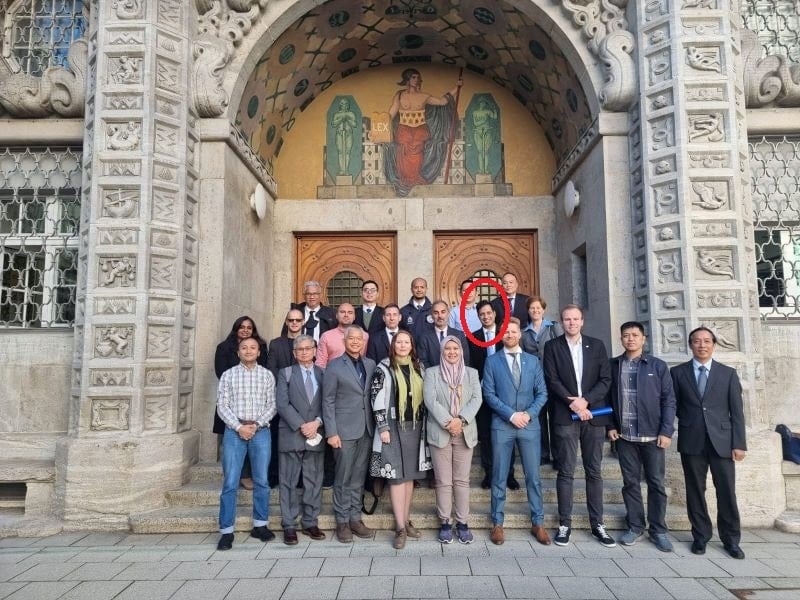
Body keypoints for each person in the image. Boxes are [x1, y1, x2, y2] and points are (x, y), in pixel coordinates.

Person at [671, 326, 746, 559]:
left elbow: (737, 412)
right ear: (690, 345)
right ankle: (700, 537)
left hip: (722, 441)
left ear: (714, 344)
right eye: (696, 341)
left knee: (726, 491)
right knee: (695, 490)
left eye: (706, 341)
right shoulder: (678, 373)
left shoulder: (727, 374)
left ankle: (731, 539)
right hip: (691, 440)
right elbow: (672, 405)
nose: (702, 345)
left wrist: (739, 443)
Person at [543, 304, 614, 547]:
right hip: (565, 416)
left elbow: (606, 379)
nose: (571, 323)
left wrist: (586, 401)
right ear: (561, 322)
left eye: (575, 319)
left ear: (582, 321)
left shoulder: (596, 345)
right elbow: (551, 379)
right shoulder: (553, 346)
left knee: (594, 471)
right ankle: (565, 523)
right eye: (567, 319)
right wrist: (573, 403)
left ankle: (598, 524)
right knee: (566, 470)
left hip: (593, 416)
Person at [607, 322, 676, 552]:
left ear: (643, 338)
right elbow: (606, 398)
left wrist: (667, 431)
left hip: (652, 437)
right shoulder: (614, 365)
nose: (630, 339)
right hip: (625, 436)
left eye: (635, 335)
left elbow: (669, 400)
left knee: (656, 483)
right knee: (630, 483)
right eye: (626, 335)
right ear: (621, 339)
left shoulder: (657, 366)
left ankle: (658, 529)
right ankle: (635, 526)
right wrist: (610, 425)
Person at [482, 318, 550, 546]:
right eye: (505, 332)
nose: (509, 334)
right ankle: (497, 523)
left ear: (519, 334)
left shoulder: (532, 361)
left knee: (534, 477)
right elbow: (489, 394)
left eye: (513, 331)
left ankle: (538, 522)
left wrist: (528, 414)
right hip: (503, 426)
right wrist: (511, 415)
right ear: (500, 336)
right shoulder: (492, 362)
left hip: (529, 426)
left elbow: (542, 393)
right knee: (499, 476)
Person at [370, 330, 430, 549]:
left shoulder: (419, 367)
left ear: (412, 345)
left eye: (407, 342)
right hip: (392, 428)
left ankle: (406, 520)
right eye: (399, 342)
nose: (403, 345)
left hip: (415, 428)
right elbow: (376, 398)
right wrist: (382, 426)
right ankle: (399, 527)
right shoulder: (383, 368)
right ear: (393, 345)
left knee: (410, 477)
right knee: (396, 477)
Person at [215, 336, 277, 550]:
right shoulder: (228, 375)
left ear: (259, 352)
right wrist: (239, 427)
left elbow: (273, 405)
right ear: (238, 352)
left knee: (261, 480)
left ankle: (260, 524)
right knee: (230, 482)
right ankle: (226, 530)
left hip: (261, 431)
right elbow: (222, 406)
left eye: (253, 348)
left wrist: (257, 424)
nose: (249, 351)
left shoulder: (267, 375)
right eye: (244, 348)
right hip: (234, 431)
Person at [424, 336, 482, 544]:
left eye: (455, 348)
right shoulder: (431, 373)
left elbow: (477, 399)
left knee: (462, 480)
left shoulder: (472, 373)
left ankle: (462, 522)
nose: (451, 352)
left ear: (461, 350)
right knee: (443, 481)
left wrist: (462, 420)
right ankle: (445, 522)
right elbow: (430, 400)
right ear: (442, 351)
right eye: (447, 348)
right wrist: (450, 422)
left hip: (465, 432)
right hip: (441, 432)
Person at [322, 325, 376, 543]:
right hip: (343, 431)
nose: (355, 342)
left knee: (358, 476)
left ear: (363, 342)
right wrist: (331, 432)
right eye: (351, 338)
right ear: (344, 341)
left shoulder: (371, 364)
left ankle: (355, 518)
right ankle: (342, 521)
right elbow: (328, 401)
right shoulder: (334, 366)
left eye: (359, 339)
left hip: (366, 429)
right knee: (343, 477)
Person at [275, 335, 326, 545]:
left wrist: (317, 423)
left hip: (316, 433)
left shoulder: (324, 374)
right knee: (288, 481)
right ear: (294, 353)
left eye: (308, 348)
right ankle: (288, 524)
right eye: (300, 349)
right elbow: (282, 404)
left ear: (315, 351)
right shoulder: (285, 373)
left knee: (313, 481)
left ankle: (310, 521)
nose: (304, 352)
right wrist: (301, 425)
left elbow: (329, 401)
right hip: (292, 433)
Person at [382, 68, 462, 196]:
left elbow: (442, 102)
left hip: (419, 130)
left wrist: (456, 88)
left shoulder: (424, 96)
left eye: (418, 77)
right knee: (402, 155)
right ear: (407, 79)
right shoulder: (400, 95)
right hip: (404, 131)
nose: (416, 80)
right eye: (413, 77)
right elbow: (391, 113)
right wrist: (378, 127)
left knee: (417, 157)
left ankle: (414, 180)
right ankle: (405, 182)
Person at [213, 316, 269, 491]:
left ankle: (246, 475)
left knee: (253, 444)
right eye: (241, 327)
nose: (245, 330)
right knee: (230, 443)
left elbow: (264, 370)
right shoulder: (223, 348)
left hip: (255, 407)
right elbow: (220, 372)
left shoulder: (262, 348)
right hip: (232, 402)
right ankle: (233, 476)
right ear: (236, 329)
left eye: (249, 327)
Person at [468, 300, 518, 490]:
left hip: (505, 394)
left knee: (508, 433)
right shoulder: (473, 337)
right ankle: (489, 473)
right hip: (483, 394)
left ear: (494, 314)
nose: (486, 317)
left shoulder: (506, 334)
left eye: (489, 313)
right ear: (478, 316)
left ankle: (509, 474)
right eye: (482, 314)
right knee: (487, 435)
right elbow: (472, 366)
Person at [521, 296, 562, 467]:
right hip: (534, 382)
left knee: (555, 418)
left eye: (538, 308)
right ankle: (543, 453)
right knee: (539, 419)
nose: (535, 311)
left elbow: (562, 352)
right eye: (532, 308)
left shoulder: (554, 328)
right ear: (528, 311)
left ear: (543, 310)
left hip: (554, 380)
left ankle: (558, 456)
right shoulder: (524, 333)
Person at [417, 299, 470, 368]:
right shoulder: (424, 337)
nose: (440, 316)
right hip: (433, 377)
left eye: (443, 312)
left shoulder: (460, 335)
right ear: (432, 315)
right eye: (436, 313)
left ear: (448, 314)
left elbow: (465, 360)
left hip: (456, 377)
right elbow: (423, 361)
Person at [317, 303, 368, 368]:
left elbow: (366, 361)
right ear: (336, 316)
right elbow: (320, 364)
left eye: (350, 312)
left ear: (354, 317)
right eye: (342, 312)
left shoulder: (364, 336)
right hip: (333, 376)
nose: (346, 315)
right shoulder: (326, 336)